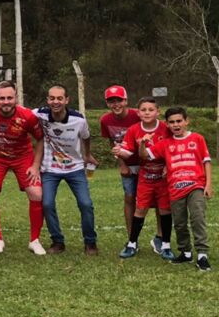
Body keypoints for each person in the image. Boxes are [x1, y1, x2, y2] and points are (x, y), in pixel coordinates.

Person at [0, 80, 46, 255]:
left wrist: (35, 166)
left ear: (16, 98)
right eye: (2, 98)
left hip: (23, 156)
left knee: (36, 193)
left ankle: (34, 240)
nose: (6, 101)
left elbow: (41, 138)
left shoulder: (27, 116)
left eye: (10, 98)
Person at [34, 85, 98, 255]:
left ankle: (90, 243)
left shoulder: (79, 119)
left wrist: (87, 155)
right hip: (50, 168)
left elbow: (86, 137)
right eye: (52, 98)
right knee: (47, 204)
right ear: (47, 100)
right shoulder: (39, 114)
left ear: (67, 100)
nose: (56, 102)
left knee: (86, 204)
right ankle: (57, 241)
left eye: (59, 98)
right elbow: (18, 112)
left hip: (75, 167)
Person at [145, 107, 211, 270]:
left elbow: (206, 161)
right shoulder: (165, 144)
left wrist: (208, 184)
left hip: (196, 186)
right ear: (167, 124)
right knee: (180, 223)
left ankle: (202, 254)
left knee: (197, 218)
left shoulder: (197, 138)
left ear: (186, 121)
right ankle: (186, 253)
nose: (176, 124)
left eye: (179, 121)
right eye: (172, 122)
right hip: (175, 189)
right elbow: (145, 155)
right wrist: (141, 143)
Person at [115, 97, 174, 260]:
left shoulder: (165, 128)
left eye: (151, 109)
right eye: (143, 110)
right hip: (145, 176)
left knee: (165, 209)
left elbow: (173, 148)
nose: (147, 112)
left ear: (157, 112)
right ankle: (132, 244)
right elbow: (128, 151)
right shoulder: (134, 130)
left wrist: (168, 166)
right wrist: (120, 152)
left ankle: (166, 245)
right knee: (140, 209)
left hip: (163, 177)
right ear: (138, 112)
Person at [100, 85, 149, 241]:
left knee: (156, 200)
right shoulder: (105, 120)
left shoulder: (138, 115)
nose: (116, 105)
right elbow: (112, 143)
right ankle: (131, 238)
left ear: (126, 100)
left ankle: (161, 238)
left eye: (119, 100)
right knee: (129, 198)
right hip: (128, 164)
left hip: (147, 162)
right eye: (111, 101)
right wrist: (122, 164)